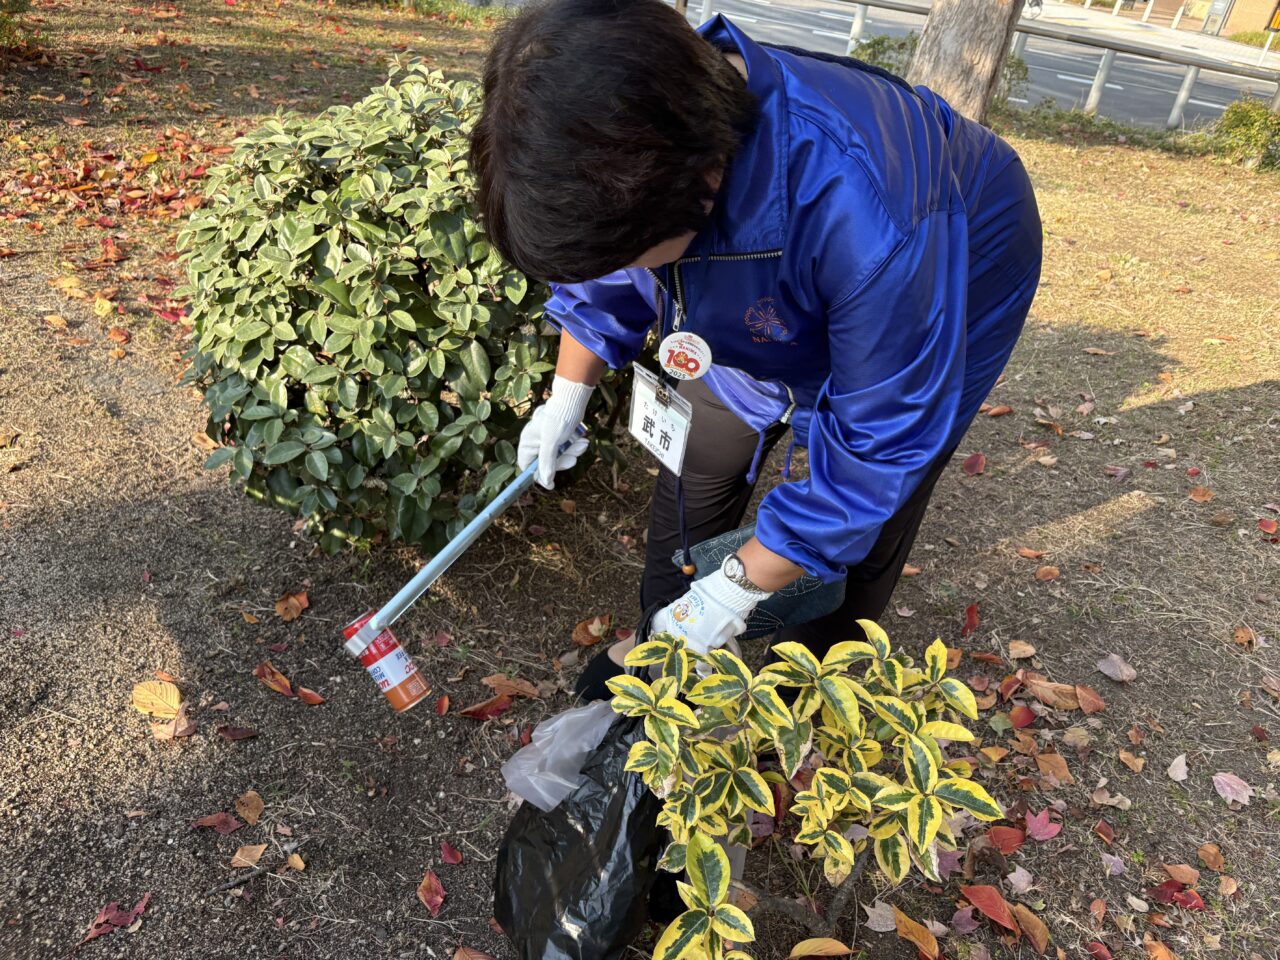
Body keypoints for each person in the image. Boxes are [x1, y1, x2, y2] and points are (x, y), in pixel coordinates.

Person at [470, 0, 1042, 696]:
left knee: (862, 514)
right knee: (706, 457)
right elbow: (609, 268)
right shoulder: (625, 148)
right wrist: (568, 395)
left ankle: (811, 682)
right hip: (756, 278)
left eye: (633, 253)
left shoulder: (873, 209)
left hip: (957, 261)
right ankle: (666, 638)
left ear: (701, 182)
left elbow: (879, 441)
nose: (625, 266)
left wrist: (736, 589)